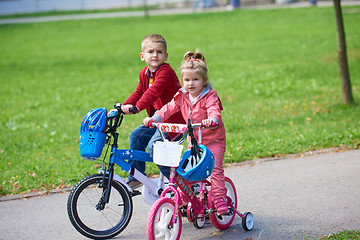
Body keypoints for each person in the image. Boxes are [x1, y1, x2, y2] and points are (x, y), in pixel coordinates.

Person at [143, 50, 229, 216]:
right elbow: (168, 108)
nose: (191, 84)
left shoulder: (210, 95)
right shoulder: (182, 95)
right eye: (187, 80)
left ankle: (219, 198)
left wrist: (212, 120)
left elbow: (214, 110)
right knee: (186, 172)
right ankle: (185, 198)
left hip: (214, 140)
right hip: (194, 140)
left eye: (195, 79)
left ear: (204, 81)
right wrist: (155, 118)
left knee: (216, 170)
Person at [121, 34, 185, 188]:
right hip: (157, 121)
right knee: (136, 135)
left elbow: (153, 92)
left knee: (154, 146)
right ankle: (137, 176)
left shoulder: (166, 72)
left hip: (174, 122)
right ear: (142, 56)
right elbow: (139, 92)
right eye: (150, 52)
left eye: (159, 52)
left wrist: (137, 108)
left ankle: (178, 181)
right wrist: (124, 106)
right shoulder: (144, 73)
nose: (155, 55)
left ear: (166, 56)